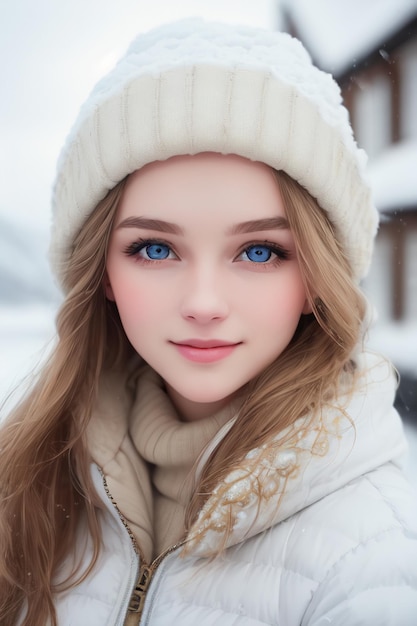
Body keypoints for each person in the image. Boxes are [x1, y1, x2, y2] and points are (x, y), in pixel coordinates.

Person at [1, 17, 416, 626]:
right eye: (155, 249)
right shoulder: (27, 484)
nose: (203, 302)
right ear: (103, 277)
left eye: (259, 252)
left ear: (315, 283)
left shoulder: (373, 558)